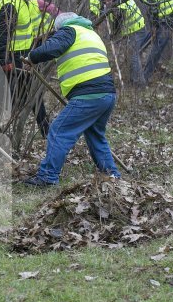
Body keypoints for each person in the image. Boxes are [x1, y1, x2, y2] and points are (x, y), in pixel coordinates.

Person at [21, 12, 120, 186]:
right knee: (95, 135)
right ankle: (112, 176)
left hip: (88, 95)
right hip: (107, 95)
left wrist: (31, 58)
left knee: (59, 131)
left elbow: (51, 48)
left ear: (60, 27)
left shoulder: (69, 30)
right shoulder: (90, 33)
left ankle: (47, 177)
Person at [0, 0, 59, 138]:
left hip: (22, 57)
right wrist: (4, 61)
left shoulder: (24, 2)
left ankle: (44, 131)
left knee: (31, 95)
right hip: (9, 58)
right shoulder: (11, 4)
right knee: (8, 100)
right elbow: (1, 35)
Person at [102, 0, 149, 87]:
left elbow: (118, 21)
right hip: (132, 30)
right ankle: (133, 79)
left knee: (133, 56)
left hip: (137, 29)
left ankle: (139, 83)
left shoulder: (120, 3)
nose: (107, 2)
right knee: (130, 55)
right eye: (105, 1)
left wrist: (114, 34)